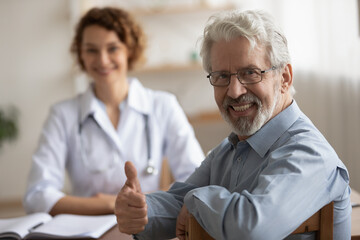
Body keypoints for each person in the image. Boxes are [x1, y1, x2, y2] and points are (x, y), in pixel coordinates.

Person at [114, 9, 352, 240]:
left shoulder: (309, 153)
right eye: (221, 76)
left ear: (285, 78)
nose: (234, 91)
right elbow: (180, 201)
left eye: (250, 73)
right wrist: (142, 211)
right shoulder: (231, 148)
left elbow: (252, 229)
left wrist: (195, 200)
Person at [23, 7, 204, 216]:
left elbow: (196, 181)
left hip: (147, 226)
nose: (102, 60)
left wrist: (136, 203)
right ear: (81, 54)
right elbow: (37, 196)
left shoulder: (163, 105)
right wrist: (113, 204)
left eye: (112, 48)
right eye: (91, 50)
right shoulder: (62, 115)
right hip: (86, 230)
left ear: (130, 50)